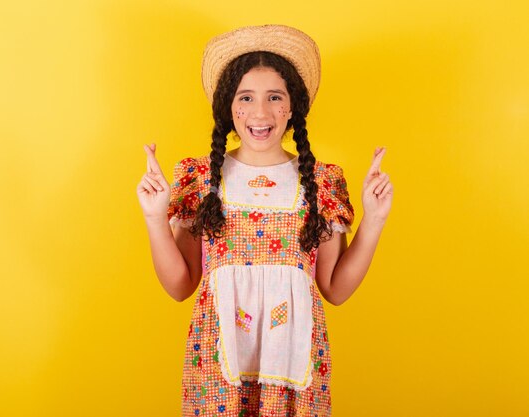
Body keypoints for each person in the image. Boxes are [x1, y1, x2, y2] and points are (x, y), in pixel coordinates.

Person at [136, 24, 392, 417]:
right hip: (217, 374)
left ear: (292, 108)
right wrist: (155, 217)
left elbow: (335, 289)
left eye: (275, 97)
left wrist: (373, 221)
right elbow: (180, 286)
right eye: (246, 97)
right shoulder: (200, 179)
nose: (260, 112)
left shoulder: (321, 184)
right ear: (229, 106)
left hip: (294, 370)